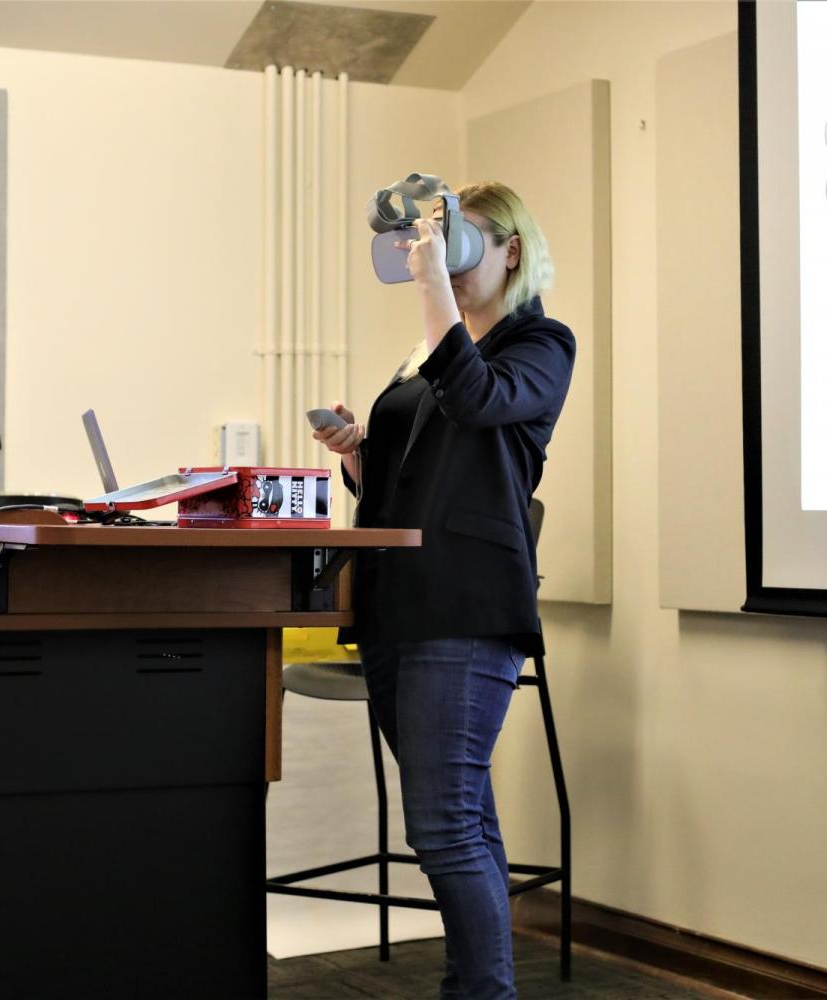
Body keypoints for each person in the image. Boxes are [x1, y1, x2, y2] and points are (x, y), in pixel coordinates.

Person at [313, 181, 574, 999]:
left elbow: (477, 399)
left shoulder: (540, 344)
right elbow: (409, 480)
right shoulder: (432, 350)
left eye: (466, 238)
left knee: (442, 825)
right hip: (396, 602)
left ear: (513, 251)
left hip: (465, 607)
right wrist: (358, 451)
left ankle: (483, 992)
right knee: (461, 819)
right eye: (439, 239)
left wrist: (433, 288)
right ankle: (480, 986)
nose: (448, 253)